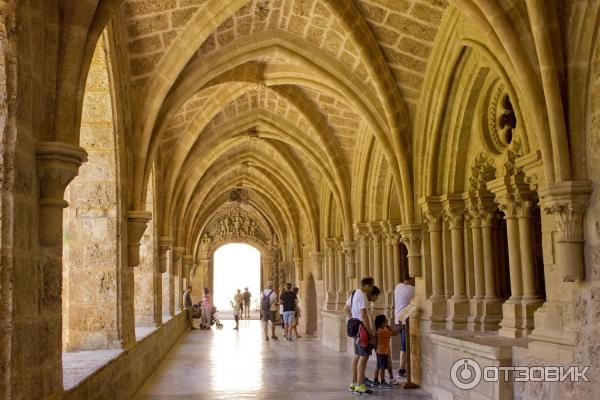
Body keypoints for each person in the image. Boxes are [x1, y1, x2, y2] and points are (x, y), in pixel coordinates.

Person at [344, 277, 374, 395]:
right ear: (367, 285)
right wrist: (369, 331)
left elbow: (345, 309)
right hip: (362, 330)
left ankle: (353, 383)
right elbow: (363, 315)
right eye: (371, 286)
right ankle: (360, 386)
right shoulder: (362, 296)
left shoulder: (354, 293)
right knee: (363, 357)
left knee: (357, 355)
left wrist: (352, 319)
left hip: (355, 329)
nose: (372, 289)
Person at [394, 276, 416, 378]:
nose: (415, 282)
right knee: (405, 346)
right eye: (414, 281)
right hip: (405, 321)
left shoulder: (398, 287)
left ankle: (404, 368)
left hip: (398, 319)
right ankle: (402, 370)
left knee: (404, 346)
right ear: (411, 280)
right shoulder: (412, 289)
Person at [373, 315, 399, 389]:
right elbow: (394, 333)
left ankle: (375, 380)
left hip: (379, 351)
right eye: (386, 321)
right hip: (383, 352)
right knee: (382, 368)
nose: (387, 322)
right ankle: (383, 382)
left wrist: (387, 326)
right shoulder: (383, 331)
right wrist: (400, 327)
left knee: (378, 366)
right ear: (382, 323)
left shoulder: (379, 330)